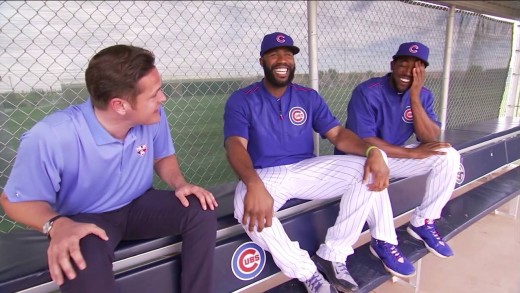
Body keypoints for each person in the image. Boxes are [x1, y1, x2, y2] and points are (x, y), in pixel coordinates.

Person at [0, 44, 218, 293]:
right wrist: (57, 225)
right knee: (77, 257)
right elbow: (14, 201)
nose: (163, 98)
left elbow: (162, 156)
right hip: (86, 219)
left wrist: (180, 183)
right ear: (120, 106)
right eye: (154, 94)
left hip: (139, 205)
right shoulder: (51, 136)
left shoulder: (153, 116)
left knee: (200, 208)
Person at [223, 32, 396, 293]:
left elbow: (337, 134)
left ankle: (334, 254)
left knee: (369, 168)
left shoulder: (308, 96)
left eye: (288, 55)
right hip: (266, 175)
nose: (283, 60)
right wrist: (253, 183)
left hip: (307, 170)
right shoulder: (243, 98)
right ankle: (308, 272)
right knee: (243, 205)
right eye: (274, 54)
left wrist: (372, 150)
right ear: (262, 61)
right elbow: (235, 144)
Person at [339, 41, 461, 276]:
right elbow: (365, 140)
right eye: (403, 64)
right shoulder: (367, 91)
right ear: (393, 64)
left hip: (394, 155)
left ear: (422, 72)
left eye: (416, 67)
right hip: (361, 158)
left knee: (447, 155)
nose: (408, 71)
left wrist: (414, 97)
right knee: (378, 162)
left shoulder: (423, 95)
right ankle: (383, 241)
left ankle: (423, 221)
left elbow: (428, 137)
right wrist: (410, 153)